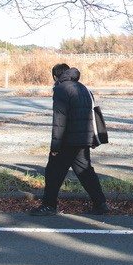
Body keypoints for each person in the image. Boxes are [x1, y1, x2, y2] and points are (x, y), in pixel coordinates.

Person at [30, 63, 111, 217]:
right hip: (83, 138)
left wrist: (55, 147)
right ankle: (101, 203)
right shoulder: (83, 88)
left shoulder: (61, 89)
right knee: (85, 172)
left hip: (68, 140)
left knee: (53, 172)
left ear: (55, 76)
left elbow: (59, 121)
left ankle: (49, 205)